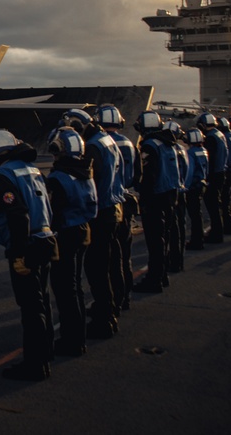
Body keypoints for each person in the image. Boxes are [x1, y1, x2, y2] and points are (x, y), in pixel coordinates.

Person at [0, 129, 57, 382]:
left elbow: (17, 215)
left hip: (27, 246)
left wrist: (18, 253)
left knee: (30, 307)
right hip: (46, 239)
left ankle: (35, 366)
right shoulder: (33, 169)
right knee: (42, 300)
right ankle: (46, 353)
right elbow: (47, 203)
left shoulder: (1, 177)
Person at [61, 108, 123, 339]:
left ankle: (105, 319)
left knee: (97, 270)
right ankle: (111, 307)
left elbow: (89, 185)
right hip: (113, 207)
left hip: (100, 213)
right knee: (108, 265)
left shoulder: (94, 147)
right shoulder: (107, 140)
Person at [44, 127, 96, 357]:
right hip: (84, 230)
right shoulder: (86, 171)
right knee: (76, 287)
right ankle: (78, 337)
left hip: (65, 235)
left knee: (65, 290)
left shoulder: (58, 178)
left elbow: (52, 213)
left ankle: (71, 341)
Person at [97, 104, 140, 313]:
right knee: (125, 253)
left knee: (108, 258)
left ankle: (109, 302)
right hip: (125, 199)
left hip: (108, 205)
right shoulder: (130, 144)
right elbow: (135, 176)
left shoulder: (100, 144)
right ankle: (125, 296)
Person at [133, 111, 180, 293]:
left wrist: (143, 198)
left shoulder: (149, 146)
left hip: (155, 199)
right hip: (170, 195)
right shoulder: (169, 144)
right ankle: (162, 275)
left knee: (155, 243)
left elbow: (148, 177)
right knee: (164, 239)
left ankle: (154, 280)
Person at [197, 113, 228, 242]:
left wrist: (207, 178)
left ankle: (216, 234)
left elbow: (211, 160)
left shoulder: (210, 138)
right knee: (217, 204)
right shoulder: (219, 134)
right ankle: (218, 231)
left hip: (214, 174)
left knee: (212, 205)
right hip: (222, 171)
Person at [167, 121, 188, 273]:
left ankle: (173, 261)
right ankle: (179, 259)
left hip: (170, 193)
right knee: (180, 227)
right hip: (181, 191)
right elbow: (187, 169)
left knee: (171, 230)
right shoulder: (182, 149)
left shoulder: (167, 150)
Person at [183, 128, 209, 250]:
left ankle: (196, 241)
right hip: (202, 183)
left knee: (194, 215)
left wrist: (185, 187)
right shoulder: (203, 151)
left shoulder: (191, 153)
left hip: (193, 186)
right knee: (198, 214)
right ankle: (200, 238)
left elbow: (190, 171)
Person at [219, 117, 231, 235]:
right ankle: (229, 224)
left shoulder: (223, 138)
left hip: (227, 170)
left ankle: (227, 226)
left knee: (225, 200)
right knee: (229, 198)